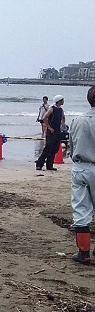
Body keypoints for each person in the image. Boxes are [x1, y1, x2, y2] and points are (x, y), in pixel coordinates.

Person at [68, 86, 95, 264]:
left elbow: (71, 145)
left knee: (81, 209)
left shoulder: (77, 120)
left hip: (81, 166)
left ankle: (83, 253)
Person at [35, 95, 65, 171]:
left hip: (57, 131)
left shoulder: (61, 110)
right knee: (48, 147)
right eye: (62, 100)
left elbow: (63, 118)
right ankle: (39, 164)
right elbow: (44, 118)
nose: (63, 101)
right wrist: (49, 127)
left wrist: (62, 126)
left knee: (55, 148)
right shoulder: (52, 109)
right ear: (59, 101)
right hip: (51, 131)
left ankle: (49, 165)